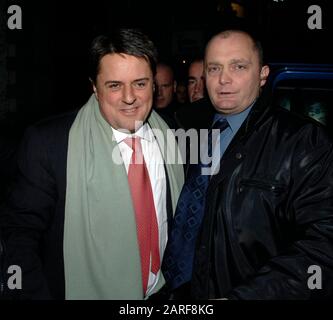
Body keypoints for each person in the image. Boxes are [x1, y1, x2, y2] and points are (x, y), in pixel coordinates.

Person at [0, 28, 184, 300]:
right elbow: (19, 235)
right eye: (114, 85)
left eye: (140, 83)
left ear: (154, 84)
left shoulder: (171, 131)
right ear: (95, 88)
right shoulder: (49, 143)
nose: (129, 97)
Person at [163, 29, 333, 299]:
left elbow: (322, 248)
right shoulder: (185, 130)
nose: (224, 79)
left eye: (238, 66)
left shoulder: (304, 142)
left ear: (263, 74)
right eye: (214, 68)